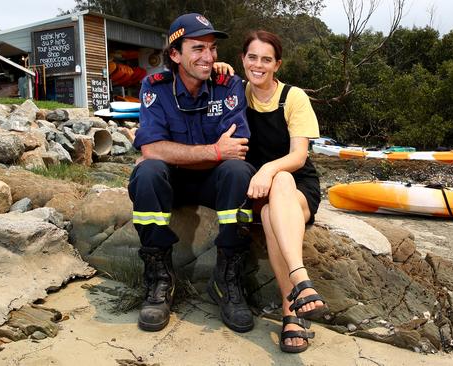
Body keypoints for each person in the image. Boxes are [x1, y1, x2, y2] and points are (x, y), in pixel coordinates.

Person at [128, 13, 256, 334]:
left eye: (212, 49)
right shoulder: (154, 87)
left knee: (239, 171)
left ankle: (227, 278)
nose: (209, 57)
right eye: (198, 48)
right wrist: (213, 151)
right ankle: (159, 277)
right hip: (171, 184)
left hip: (214, 184)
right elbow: (152, 151)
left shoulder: (228, 86)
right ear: (175, 54)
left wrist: (180, 153)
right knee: (147, 172)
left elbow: (236, 149)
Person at [241, 30, 329, 353]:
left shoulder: (293, 98)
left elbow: (298, 156)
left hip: (297, 187)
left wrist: (268, 168)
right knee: (266, 208)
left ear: (277, 64)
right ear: (243, 60)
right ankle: (300, 289)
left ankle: (290, 307)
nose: (258, 65)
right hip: (258, 190)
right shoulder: (238, 93)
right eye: (252, 57)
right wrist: (219, 66)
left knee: (275, 195)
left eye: (267, 59)